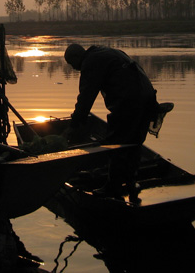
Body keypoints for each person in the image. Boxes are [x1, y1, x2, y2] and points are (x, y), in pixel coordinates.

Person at [64, 43, 161, 195]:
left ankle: (112, 187)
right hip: (147, 98)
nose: (73, 68)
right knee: (134, 143)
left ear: (77, 57)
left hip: (129, 101)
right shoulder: (106, 51)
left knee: (116, 144)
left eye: (71, 63)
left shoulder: (90, 62)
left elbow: (86, 97)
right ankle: (130, 183)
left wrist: (74, 124)